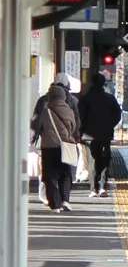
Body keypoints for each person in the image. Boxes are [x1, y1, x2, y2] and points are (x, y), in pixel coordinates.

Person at [30, 74, 81, 206]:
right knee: (65, 172)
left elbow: (35, 123)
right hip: (67, 144)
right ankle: (65, 199)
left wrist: (33, 139)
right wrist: (75, 137)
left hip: (47, 144)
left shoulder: (43, 101)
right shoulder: (72, 101)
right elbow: (76, 124)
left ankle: (51, 200)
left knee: (49, 173)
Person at [78, 72, 122, 197]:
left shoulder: (85, 98)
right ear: (104, 84)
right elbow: (117, 115)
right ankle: (103, 187)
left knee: (93, 160)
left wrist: (82, 131)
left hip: (89, 136)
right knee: (105, 160)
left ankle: (93, 189)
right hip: (105, 134)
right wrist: (109, 125)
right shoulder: (110, 98)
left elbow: (80, 116)